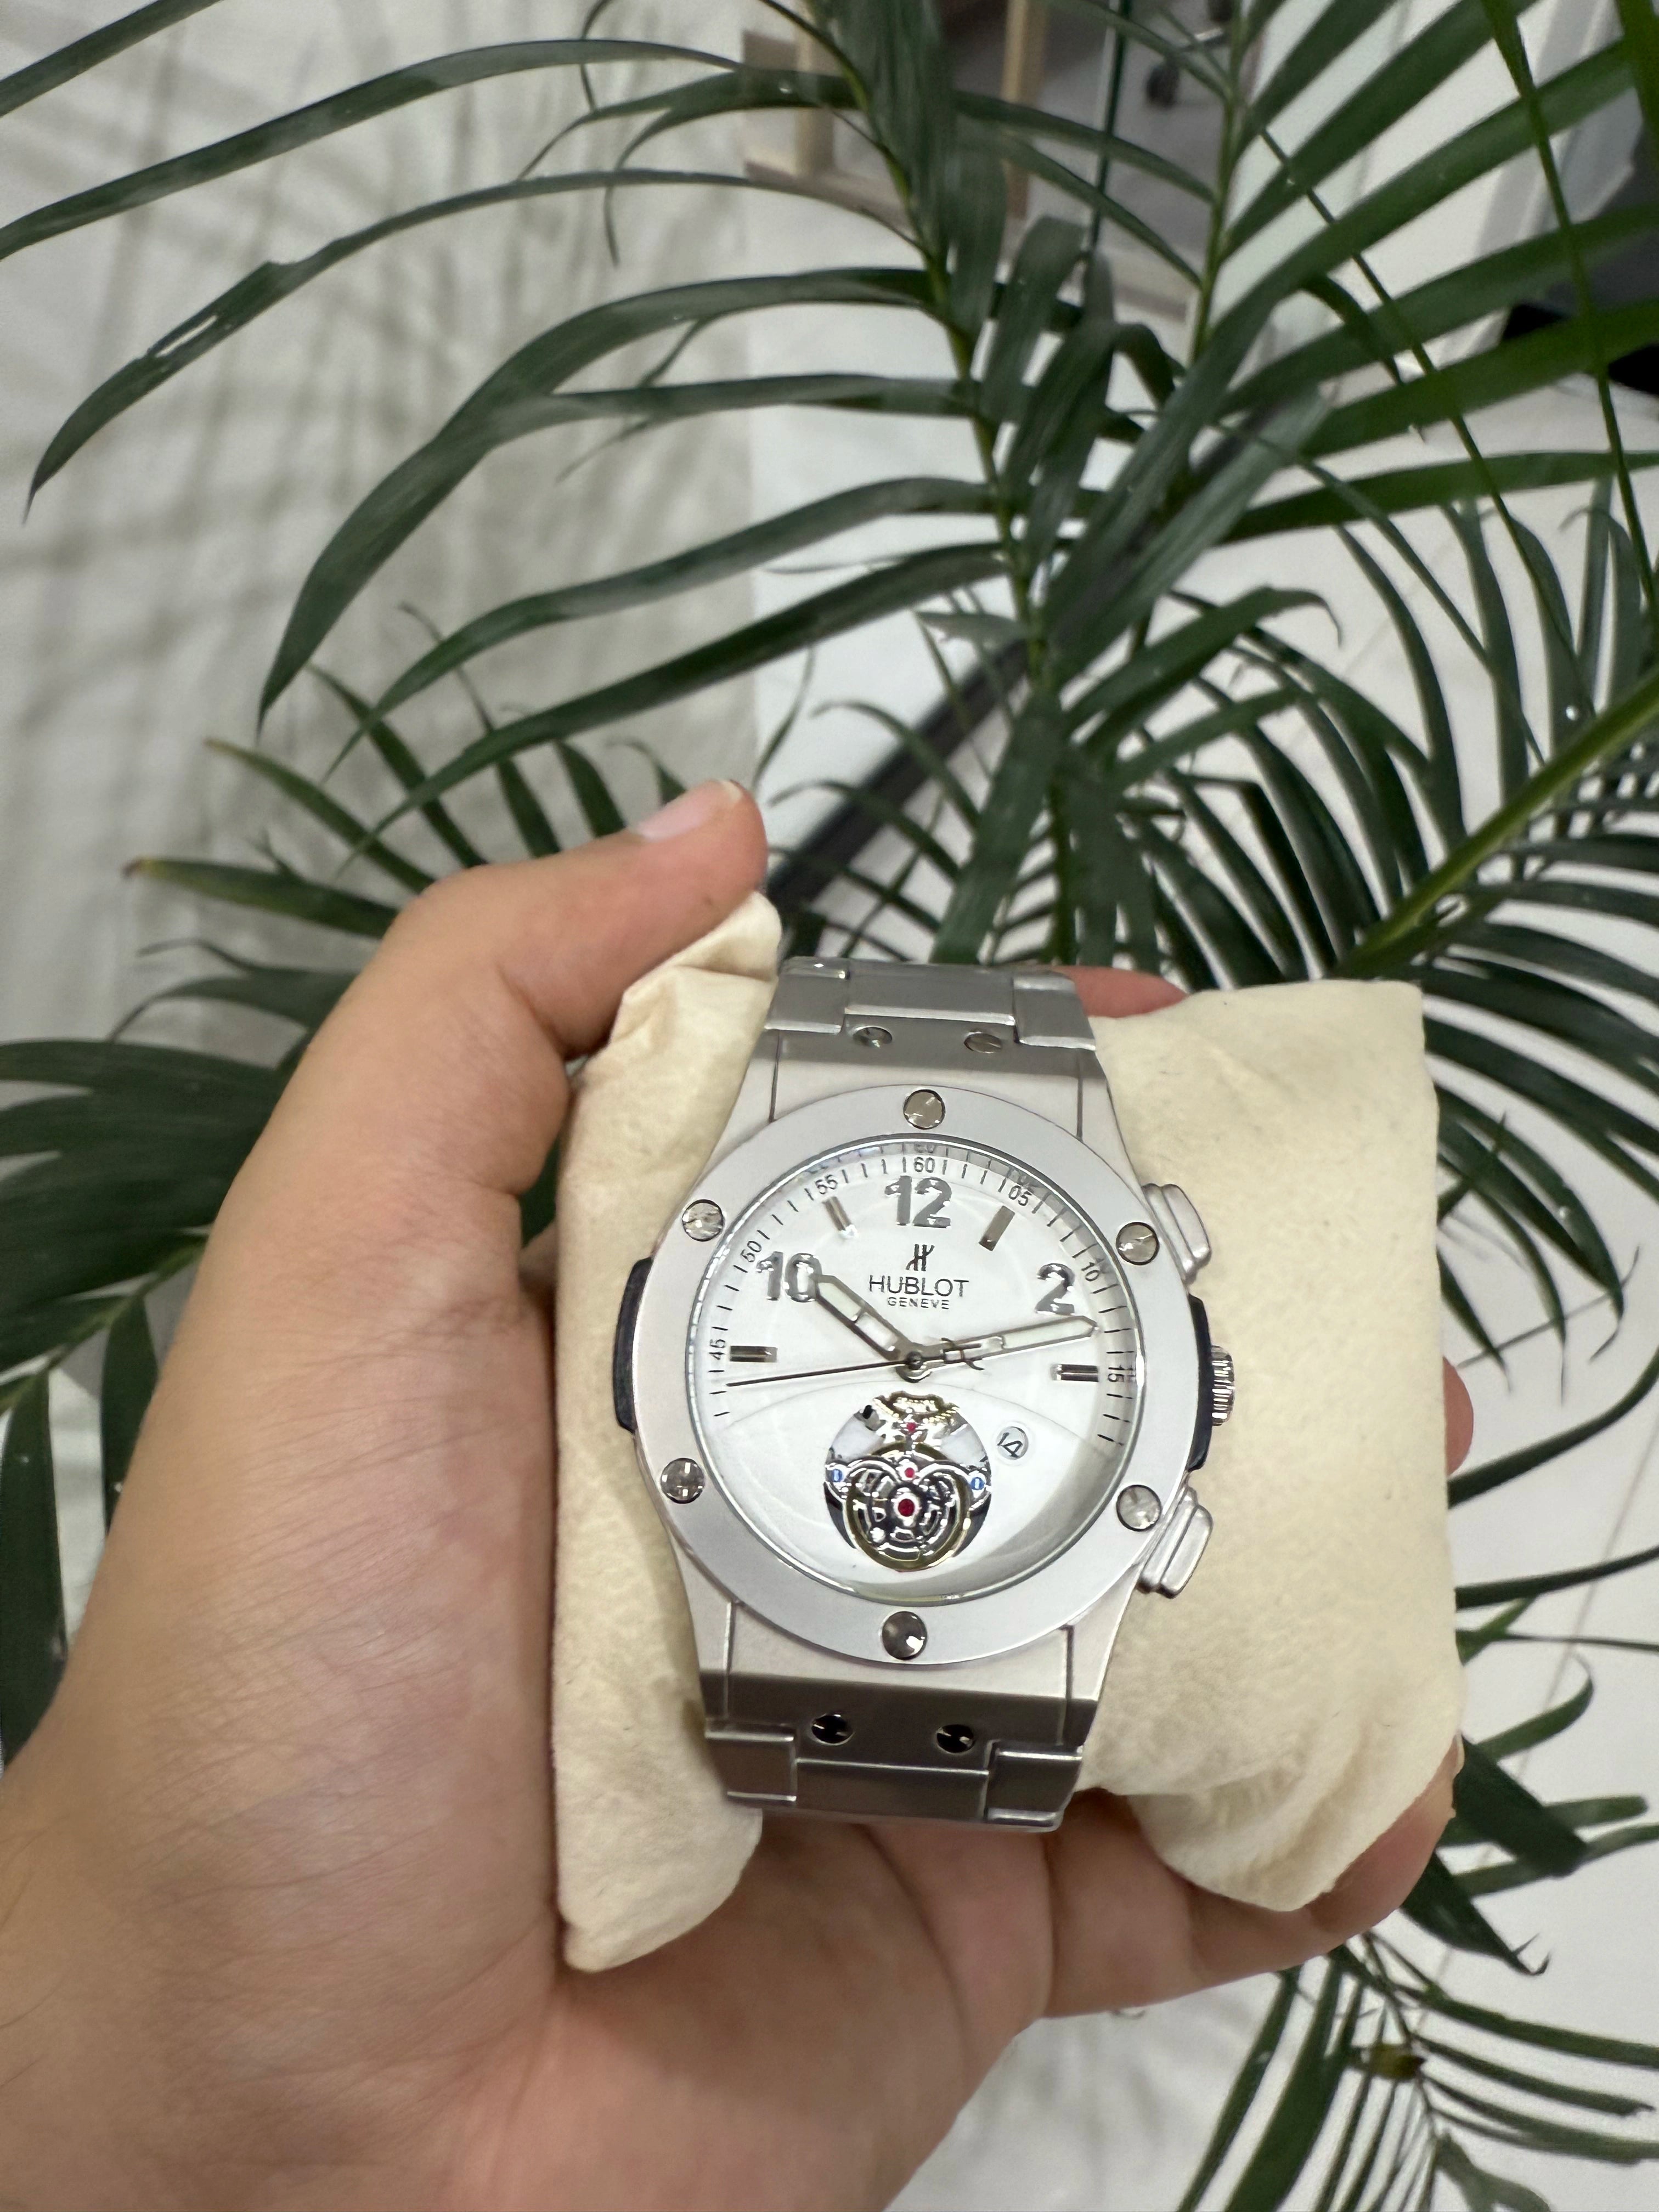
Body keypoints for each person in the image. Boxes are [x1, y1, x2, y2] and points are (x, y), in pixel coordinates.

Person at [0, 780, 1468, 2210]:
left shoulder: (1060, 1391)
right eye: (885, 1347)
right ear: (651, 1359)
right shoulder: (711, 1336)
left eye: (926, 1351)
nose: (905, 1364)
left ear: (1191, 1397)